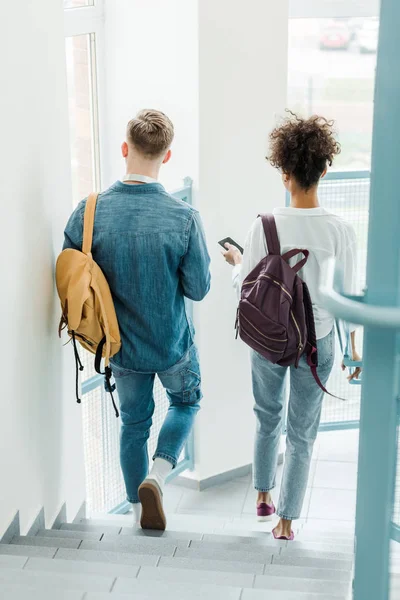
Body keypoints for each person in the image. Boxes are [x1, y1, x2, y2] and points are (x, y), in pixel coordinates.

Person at [64, 109, 211, 530]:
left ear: (125, 149)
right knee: (186, 402)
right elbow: (199, 289)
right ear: (166, 157)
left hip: (118, 345)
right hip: (171, 344)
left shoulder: (88, 212)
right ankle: (158, 476)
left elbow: (74, 279)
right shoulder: (183, 217)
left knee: (133, 424)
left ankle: (134, 515)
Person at [222, 112, 360, 540]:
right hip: (317, 343)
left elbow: (246, 286)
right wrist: (355, 353)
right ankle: (285, 522)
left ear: (285, 174)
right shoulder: (340, 231)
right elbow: (349, 297)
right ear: (323, 169)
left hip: (269, 338)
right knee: (302, 434)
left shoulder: (263, 226)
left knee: (267, 417)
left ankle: (262, 495)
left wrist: (234, 264)